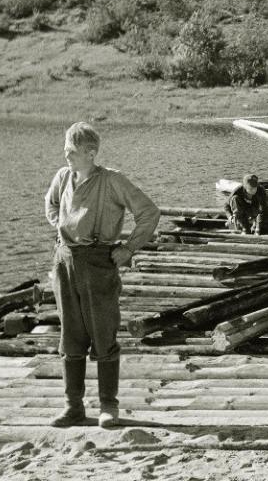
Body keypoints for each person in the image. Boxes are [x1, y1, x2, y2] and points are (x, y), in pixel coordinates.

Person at [45, 122, 160, 429]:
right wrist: (61, 228)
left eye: (72, 150)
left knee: (103, 333)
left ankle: (109, 406)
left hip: (98, 263)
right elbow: (52, 205)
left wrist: (129, 249)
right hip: (65, 262)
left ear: (90, 153)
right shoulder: (62, 177)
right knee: (70, 337)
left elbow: (149, 212)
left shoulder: (112, 180)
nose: (66, 154)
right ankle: (74, 408)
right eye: (66, 149)